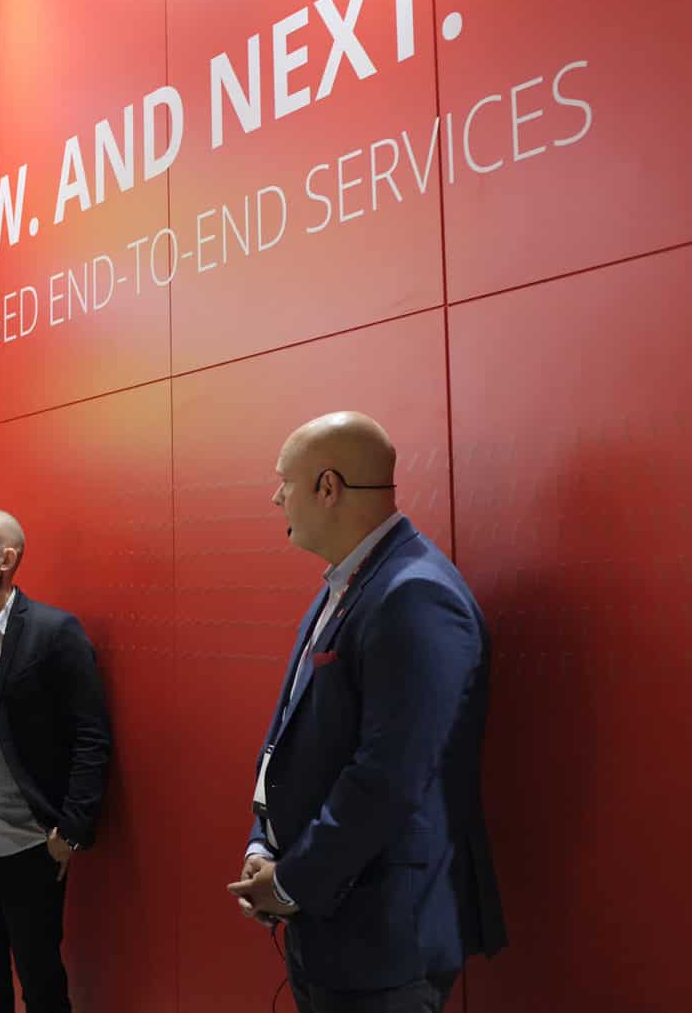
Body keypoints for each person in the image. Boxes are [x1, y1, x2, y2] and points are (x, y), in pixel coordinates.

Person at [227, 412, 506, 1013]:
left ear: (328, 488)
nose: (276, 497)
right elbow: (294, 733)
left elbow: (390, 776)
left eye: (285, 482)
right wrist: (264, 845)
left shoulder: (414, 594)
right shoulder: (350, 584)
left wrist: (292, 882)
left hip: (384, 936)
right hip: (330, 920)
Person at [0, 509, 112, 1013]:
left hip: (29, 839)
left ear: (5, 560)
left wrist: (71, 829)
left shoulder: (55, 633)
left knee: (38, 976)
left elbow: (90, 736)